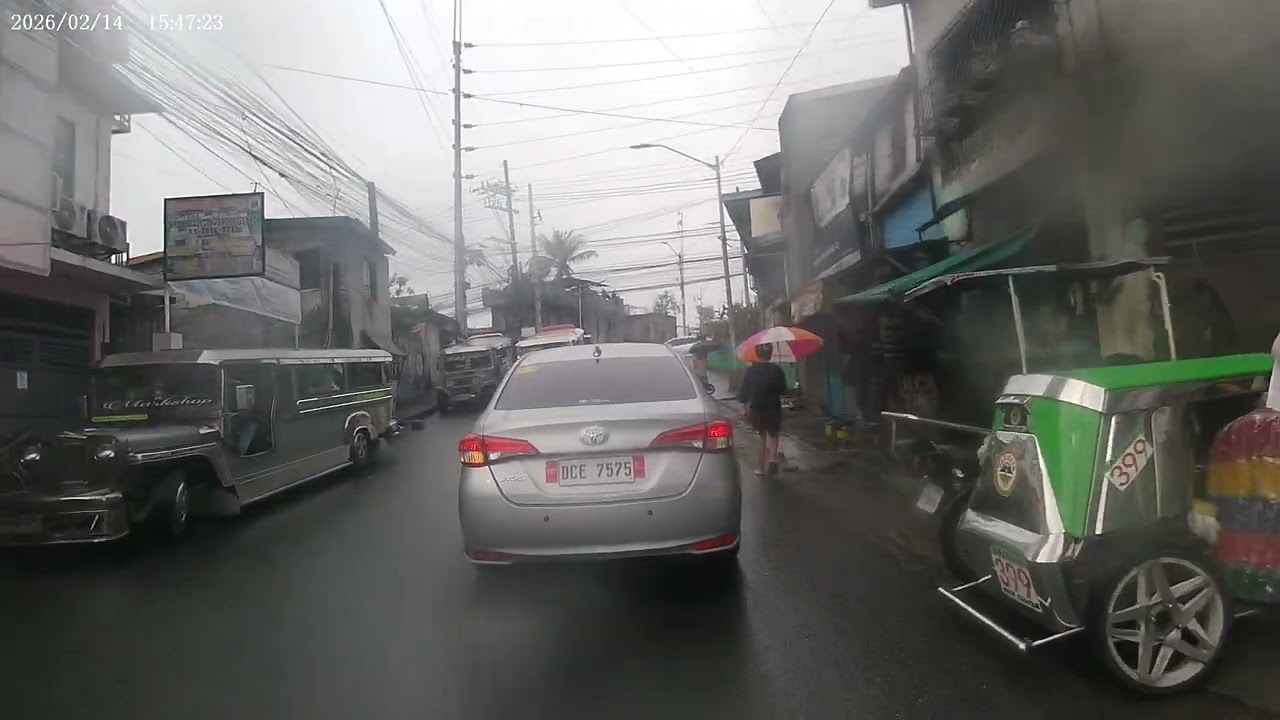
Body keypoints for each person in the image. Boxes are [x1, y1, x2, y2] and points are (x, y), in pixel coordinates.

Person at [737, 343, 787, 476]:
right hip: (773, 407)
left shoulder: (751, 371)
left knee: (762, 437)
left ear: (757, 354)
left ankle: (760, 468)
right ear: (771, 354)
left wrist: (744, 408)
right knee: (774, 434)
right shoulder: (777, 370)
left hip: (757, 407)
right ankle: (773, 459)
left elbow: (744, 392)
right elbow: (783, 390)